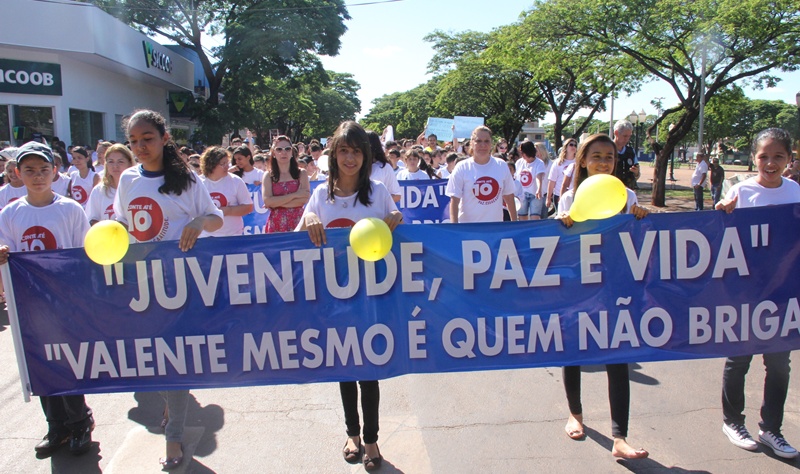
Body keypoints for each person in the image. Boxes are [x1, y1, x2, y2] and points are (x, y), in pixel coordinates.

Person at [113, 109, 223, 469]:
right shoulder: (128, 179)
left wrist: (197, 221)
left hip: (179, 282)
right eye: (134, 141)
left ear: (163, 138)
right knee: (151, 358)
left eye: (147, 139)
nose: (140, 146)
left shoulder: (188, 179)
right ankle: (170, 402)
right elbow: (119, 223)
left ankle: (173, 436)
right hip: (139, 281)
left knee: (172, 358)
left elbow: (215, 217)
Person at [296, 121, 402, 471]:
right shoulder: (319, 196)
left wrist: (398, 220)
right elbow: (295, 242)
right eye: (344, 150)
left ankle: (371, 439)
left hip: (371, 298)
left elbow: (395, 241)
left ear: (366, 155)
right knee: (344, 370)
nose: (350, 157)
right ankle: (351, 435)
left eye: (356, 151)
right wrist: (309, 217)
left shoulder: (377, 193)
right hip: (334, 299)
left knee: (368, 371)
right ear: (333, 154)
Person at [556, 134, 649, 460]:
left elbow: (638, 239)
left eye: (609, 157)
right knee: (574, 350)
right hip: (578, 286)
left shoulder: (627, 195)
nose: (604, 162)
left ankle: (619, 437)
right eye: (596, 156)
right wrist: (561, 225)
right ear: (582, 160)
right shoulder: (568, 197)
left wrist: (640, 217)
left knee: (618, 354)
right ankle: (575, 414)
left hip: (615, 285)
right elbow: (560, 244)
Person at [0, 141, 96, 456]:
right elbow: (6, 253)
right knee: (40, 364)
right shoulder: (10, 213)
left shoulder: (70, 209)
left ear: (54, 172)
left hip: (64, 303)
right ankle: (57, 428)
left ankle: (80, 422)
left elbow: (84, 254)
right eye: (29, 170)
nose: (37, 176)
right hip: (29, 304)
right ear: (17, 173)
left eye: (43, 170)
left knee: (67, 362)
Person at [715, 128, 800, 459]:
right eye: (764, 156)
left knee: (779, 364)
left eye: (778, 156)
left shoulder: (795, 191)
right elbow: (719, 238)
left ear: (789, 160)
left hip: (784, 293)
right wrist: (722, 213)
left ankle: (771, 429)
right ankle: (733, 421)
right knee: (740, 358)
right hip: (745, 293)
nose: (770, 163)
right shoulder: (742, 191)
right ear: (754, 158)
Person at [447, 126, 517, 223]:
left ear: (491, 143)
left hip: (495, 228)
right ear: (472, 143)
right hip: (468, 228)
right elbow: (454, 200)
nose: (483, 145)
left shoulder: (501, 165)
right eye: (478, 141)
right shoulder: (461, 167)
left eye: (486, 141)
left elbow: (509, 197)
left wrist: (515, 225)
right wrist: (454, 228)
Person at [199, 146, 253, 237]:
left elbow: (248, 207)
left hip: (232, 236)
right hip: (205, 237)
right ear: (211, 165)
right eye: (223, 164)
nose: (227, 166)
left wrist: (228, 210)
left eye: (227, 163)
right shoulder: (198, 183)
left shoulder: (236, 181)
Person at [263, 136, 310, 233]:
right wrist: (296, 195)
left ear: (292, 152)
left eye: (287, 149)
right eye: (279, 149)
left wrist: (276, 204)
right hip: (276, 223)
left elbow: (304, 199)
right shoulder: (268, 176)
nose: (283, 152)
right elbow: (268, 201)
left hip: (298, 221)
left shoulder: (302, 173)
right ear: (274, 153)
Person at [85, 144, 134, 225]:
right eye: (111, 162)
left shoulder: (136, 189)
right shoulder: (99, 191)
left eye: (120, 162)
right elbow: (91, 219)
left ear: (129, 163)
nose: (115, 166)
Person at [366, 130, 401, 202]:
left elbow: (396, 195)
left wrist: (376, 203)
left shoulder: (384, 167)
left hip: (378, 212)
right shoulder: (355, 166)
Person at [515, 141, 545, 221]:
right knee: (522, 218)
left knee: (534, 218)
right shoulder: (519, 162)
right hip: (521, 194)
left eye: (522, 152)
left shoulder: (539, 163)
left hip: (534, 195)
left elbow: (539, 176)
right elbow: (515, 177)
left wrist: (539, 189)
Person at [546, 138, 577, 211]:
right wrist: (548, 198)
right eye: (571, 145)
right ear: (565, 147)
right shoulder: (558, 162)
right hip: (559, 194)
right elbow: (552, 181)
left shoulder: (578, 162)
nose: (573, 147)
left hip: (574, 194)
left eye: (575, 145)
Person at [612, 120, 640, 189]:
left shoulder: (630, 151)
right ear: (616, 133)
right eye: (625, 136)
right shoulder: (607, 149)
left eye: (629, 136)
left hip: (628, 191)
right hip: (612, 190)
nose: (627, 139)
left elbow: (637, 175)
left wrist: (636, 172)